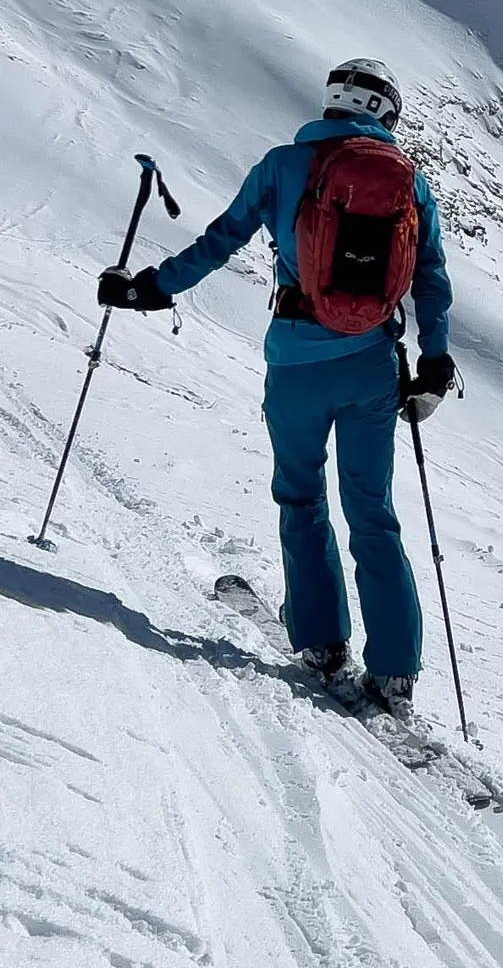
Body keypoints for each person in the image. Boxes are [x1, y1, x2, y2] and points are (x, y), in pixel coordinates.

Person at [99, 57, 456, 712]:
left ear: (331, 103)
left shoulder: (283, 166)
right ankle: (397, 668)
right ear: (386, 115)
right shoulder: (410, 183)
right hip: (373, 364)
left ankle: (322, 641)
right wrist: (434, 361)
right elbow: (430, 277)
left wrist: (149, 287)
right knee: (373, 512)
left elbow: (219, 241)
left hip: (294, 362)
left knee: (301, 497)